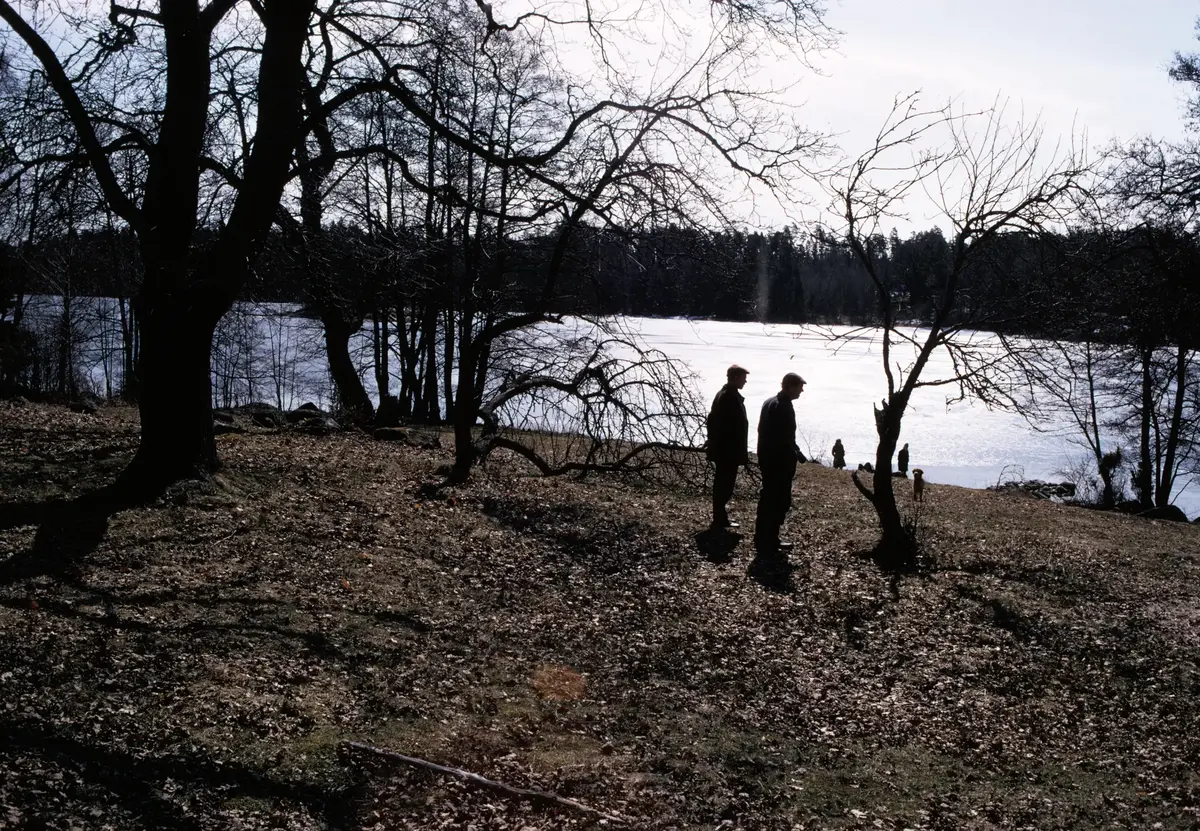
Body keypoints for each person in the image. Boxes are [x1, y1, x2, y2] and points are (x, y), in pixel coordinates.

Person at [754, 372, 806, 554]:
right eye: (800, 387)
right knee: (777, 501)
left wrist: (796, 451)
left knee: (769, 498)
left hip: (769, 459)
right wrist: (791, 454)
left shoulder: (770, 402)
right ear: (789, 386)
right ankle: (769, 539)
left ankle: (764, 537)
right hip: (778, 462)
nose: (802, 391)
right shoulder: (782, 406)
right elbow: (782, 437)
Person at [705, 364, 750, 529]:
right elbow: (722, 424)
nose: (745, 381)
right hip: (727, 451)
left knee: (723, 484)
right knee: (724, 485)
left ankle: (720, 517)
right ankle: (719, 519)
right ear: (735, 378)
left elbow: (712, 420)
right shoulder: (728, 397)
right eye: (744, 378)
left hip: (726, 450)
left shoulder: (725, 394)